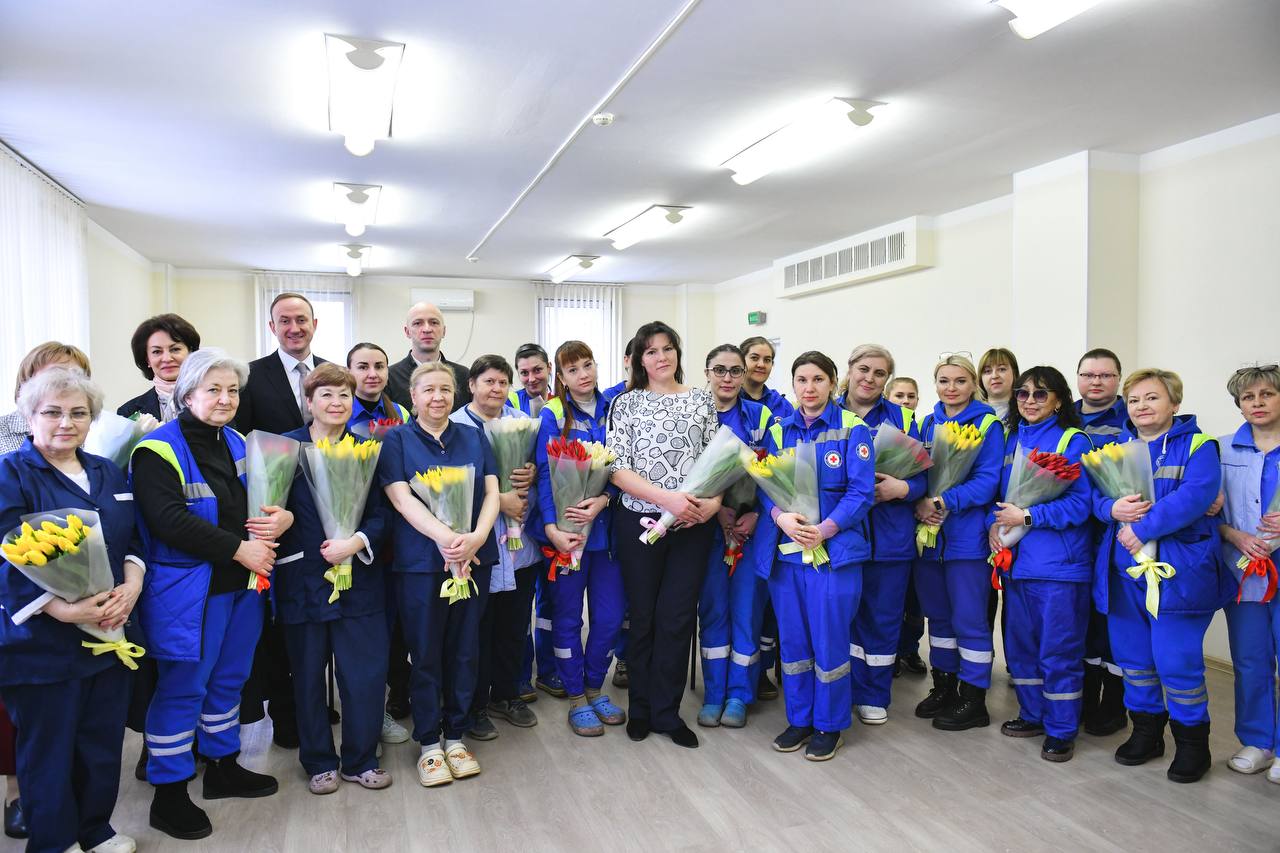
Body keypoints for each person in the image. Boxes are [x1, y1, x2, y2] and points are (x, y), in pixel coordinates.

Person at [129, 348, 289, 839]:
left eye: (232, 390)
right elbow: (169, 521)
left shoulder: (238, 440)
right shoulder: (155, 450)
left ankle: (222, 766)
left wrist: (281, 517)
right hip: (189, 592)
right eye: (213, 389)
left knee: (229, 680)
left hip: (242, 586)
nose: (225, 398)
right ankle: (169, 792)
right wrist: (241, 550)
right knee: (183, 688)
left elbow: (261, 500)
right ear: (187, 394)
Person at [0, 368, 143, 853]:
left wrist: (132, 584)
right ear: (29, 417)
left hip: (110, 635)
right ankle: (55, 842)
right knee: (49, 752)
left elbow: (133, 538)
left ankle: (95, 831)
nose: (66, 422)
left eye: (78, 413)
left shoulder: (107, 471)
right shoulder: (10, 474)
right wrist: (60, 610)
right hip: (41, 645)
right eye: (52, 412)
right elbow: (5, 558)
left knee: (100, 743)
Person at [1094, 368, 1226, 784]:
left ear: (1175, 403)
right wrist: (1109, 509)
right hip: (1125, 573)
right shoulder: (1114, 448)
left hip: (1179, 574)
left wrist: (1143, 529)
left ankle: (1193, 744)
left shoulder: (1199, 446)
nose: (1141, 407)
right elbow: (1093, 496)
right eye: (1134, 400)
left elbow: (1197, 495)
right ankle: (1146, 733)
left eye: (1152, 398)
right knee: (1133, 659)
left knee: (1177, 662)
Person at [377, 362, 499, 787]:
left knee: (465, 649)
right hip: (422, 563)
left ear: (455, 394)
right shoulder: (396, 439)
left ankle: (456, 737)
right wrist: (449, 540)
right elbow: (401, 499)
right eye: (428, 389)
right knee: (425, 652)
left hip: (474, 558)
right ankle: (429, 742)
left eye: (445, 389)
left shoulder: (474, 435)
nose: (438, 397)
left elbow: (492, 492)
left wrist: (477, 538)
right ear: (413, 396)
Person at [277, 363, 394, 795]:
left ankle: (361, 759)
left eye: (344, 394)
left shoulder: (369, 449)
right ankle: (319, 762)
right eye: (326, 394)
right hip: (303, 577)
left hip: (360, 578)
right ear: (309, 402)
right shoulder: (284, 448)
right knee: (308, 676)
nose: (337, 402)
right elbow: (266, 506)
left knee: (365, 674)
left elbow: (384, 514)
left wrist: (356, 541)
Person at [754, 351, 875, 761]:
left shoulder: (852, 429)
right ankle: (800, 718)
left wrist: (825, 529)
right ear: (793, 385)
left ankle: (830, 724)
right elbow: (763, 485)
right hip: (788, 554)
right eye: (802, 380)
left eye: (818, 379)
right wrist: (780, 517)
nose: (809, 388)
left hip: (834, 554)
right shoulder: (778, 430)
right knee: (794, 642)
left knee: (829, 641)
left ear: (833, 383)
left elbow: (861, 492)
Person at [608, 321, 722, 749]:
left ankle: (667, 712)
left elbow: (718, 461)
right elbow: (616, 469)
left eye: (668, 348)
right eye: (651, 350)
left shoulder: (701, 399)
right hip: (640, 523)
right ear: (640, 359)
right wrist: (666, 500)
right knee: (643, 617)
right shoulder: (625, 403)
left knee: (677, 618)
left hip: (691, 526)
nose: (662, 357)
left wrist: (714, 504)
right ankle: (640, 708)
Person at [0, 342, 92, 841]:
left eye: (76, 378)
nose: (65, 417)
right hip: (27, 610)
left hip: (92, 609)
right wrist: (55, 603)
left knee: (81, 728)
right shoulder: (9, 453)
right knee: (35, 728)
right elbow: (9, 542)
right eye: (54, 377)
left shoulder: (96, 457)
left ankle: (83, 820)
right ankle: (28, 805)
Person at [987, 367, 1093, 762]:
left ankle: (1062, 729)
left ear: (1059, 399)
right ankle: (1032, 714)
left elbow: (1081, 504)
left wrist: (1029, 517)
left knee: (1058, 649)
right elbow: (999, 497)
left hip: (1058, 567)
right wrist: (994, 526)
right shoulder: (1011, 438)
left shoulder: (1073, 440)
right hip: (1016, 565)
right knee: (1021, 647)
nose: (1030, 400)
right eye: (1023, 393)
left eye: (1040, 393)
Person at [535, 341, 627, 736]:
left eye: (588, 365)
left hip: (608, 537)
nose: (583, 374)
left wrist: (605, 499)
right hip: (568, 539)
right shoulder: (553, 413)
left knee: (609, 617)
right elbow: (544, 475)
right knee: (568, 618)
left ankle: (594, 686)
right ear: (561, 376)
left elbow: (626, 468)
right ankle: (575, 695)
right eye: (573, 370)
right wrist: (552, 529)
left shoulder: (615, 408)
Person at [449, 356, 540, 740]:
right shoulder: (454, 426)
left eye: (503, 382)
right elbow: (448, 485)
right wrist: (498, 500)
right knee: (476, 631)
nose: (497, 389)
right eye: (488, 381)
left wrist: (531, 473)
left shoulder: (521, 422)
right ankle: (475, 705)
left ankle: (507, 694)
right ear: (471, 385)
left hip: (520, 546)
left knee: (514, 627)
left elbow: (538, 470)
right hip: (478, 547)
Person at [913, 353, 1003, 731]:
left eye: (960, 381)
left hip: (967, 539)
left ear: (973, 385)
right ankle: (944, 685)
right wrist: (920, 501)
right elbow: (915, 472)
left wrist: (942, 501)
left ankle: (973, 697)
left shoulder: (988, 424)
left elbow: (988, 481)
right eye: (944, 381)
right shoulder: (927, 422)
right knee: (939, 618)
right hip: (930, 539)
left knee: (969, 619)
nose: (951, 388)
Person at [837, 345, 927, 726]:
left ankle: (873, 694)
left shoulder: (904, 418)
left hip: (890, 537)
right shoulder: (828, 412)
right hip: (840, 536)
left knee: (883, 618)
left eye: (879, 373)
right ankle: (840, 690)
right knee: (842, 618)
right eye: (863, 369)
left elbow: (924, 476)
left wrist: (901, 489)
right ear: (850, 369)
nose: (869, 378)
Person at [695, 344, 772, 730]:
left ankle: (740, 694)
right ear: (706, 372)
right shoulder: (692, 413)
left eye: (735, 371)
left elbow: (778, 470)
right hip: (704, 530)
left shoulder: (761, 416)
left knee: (747, 611)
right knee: (713, 611)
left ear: (745, 375)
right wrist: (716, 508)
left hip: (750, 531)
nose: (727, 378)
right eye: (719, 370)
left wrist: (756, 512)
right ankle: (714, 693)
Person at [1216, 364, 1280, 781]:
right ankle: (1258, 741)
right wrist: (1234, 536)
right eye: (1248, 397)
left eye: (1267, 394)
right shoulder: (1221, 450)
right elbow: (1208, 511)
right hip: (1243, 571)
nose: (1257, 403)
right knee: (1251, 659)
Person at [1075, 348, 1129, 736]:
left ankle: (1114, 705)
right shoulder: (1063, 417)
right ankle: (1082, 700)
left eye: (1105, 375)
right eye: (1089, 375)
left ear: (1118, 379)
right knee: (1082, 624)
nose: (1096, 381)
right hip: (1072, 537)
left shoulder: (1133, 417)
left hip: (1117, 537)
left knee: (1114, 626)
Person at [738, 335, 789, 698]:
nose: (760, 364)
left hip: (769, 516)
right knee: (742, 603)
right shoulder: (727, 399)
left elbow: (784, 463)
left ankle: (763, 669)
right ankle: (740, 672)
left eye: (767, 359)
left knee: (768, 599)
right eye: (754, 357)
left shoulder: (781, 406)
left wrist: (762, 511)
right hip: (726, 515)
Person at [885, 376, 927, 676]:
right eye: (899, 395)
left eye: (911, 396)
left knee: (913, 599)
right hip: (888, 527)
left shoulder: (918, 428)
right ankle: (890, 654)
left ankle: (909, 648)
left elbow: (924, 476)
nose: (905, 401)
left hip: (913, 526)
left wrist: (906, 489)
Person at [1, 342, 92, 455]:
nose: (67, 383)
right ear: (26, 382)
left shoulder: (94, 429)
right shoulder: (3, 433)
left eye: (75, 375)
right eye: (54, 375)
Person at [387, 303, 470, 413]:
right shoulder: (390, 377)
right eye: (418, 323)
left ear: (444, 331)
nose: (427, 329)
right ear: (407, 332)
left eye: (434, 323)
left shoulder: (464, 375)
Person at [118, 314, 201, 422]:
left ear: (191, 352)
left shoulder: (217, 401)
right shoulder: (128, 412)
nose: (167, 358)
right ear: (147, 360)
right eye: (157, 352)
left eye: (175, 349)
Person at [347, 342, 411, 431]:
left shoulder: (401, 413)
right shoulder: (338, 412)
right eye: (363, 367)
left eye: (379, 367)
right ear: (348, 372)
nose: (373, 374)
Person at [510, 343, 552, 415]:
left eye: (537, 370)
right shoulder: (509, 401)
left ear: (549, 368)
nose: (531, 379)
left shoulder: (564, 400)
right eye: (524, 372)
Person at [978, 348, 1019, 421]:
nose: (994, 376)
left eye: (1001, 369)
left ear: (1014, 373)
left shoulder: (1026, 410)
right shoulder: (972, 412)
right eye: (988, 371)